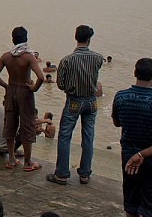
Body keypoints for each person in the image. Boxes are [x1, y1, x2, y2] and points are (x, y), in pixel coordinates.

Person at [111, 58, 152, 217]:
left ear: (135, 73)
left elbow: (116, 122)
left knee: (131, 206)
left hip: (128, 157)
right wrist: (142, 154)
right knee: (151, 209)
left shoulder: (121, 97)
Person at [46, 25, 104, 186]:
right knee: (88, 136)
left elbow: (61, 84)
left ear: (75, 37)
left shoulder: (66, 60)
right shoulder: (98, 58)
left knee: (65, 136)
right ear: (89, 39)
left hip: (74, 100)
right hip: (91, 101)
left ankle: (62, 174)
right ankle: (85, 174)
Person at [0, 26, 45, 172]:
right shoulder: (28, 56)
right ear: (26, 39)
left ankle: (11, 159)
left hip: (12, 89)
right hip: (25, 91)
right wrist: (33, 88)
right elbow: (41, 77)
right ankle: (27, 162)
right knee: (27, 125)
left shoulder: (7, 56)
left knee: (10, 123)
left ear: (13, 39)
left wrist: (6, 86)